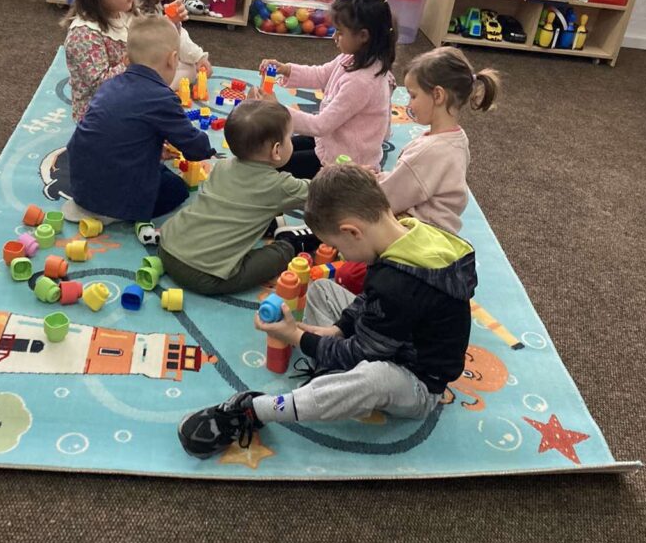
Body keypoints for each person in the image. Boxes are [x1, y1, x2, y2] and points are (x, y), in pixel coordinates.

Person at [178, 164, 477, 458]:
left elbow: (365, 350)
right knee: (322, 289)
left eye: (337, 246)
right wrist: (338, 329)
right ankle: (332, 381)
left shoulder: (398, 285)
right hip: (393, 337)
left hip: (417, 382)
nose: (342, 255)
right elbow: (371, 298)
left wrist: (297, 337)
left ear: (352, 232)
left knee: (375, 378)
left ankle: (255, 410)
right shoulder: (409, 231)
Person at [64, 14, 213, 225]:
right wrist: (207, 150)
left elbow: (114, 132)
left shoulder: (109, 85)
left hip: (81, 184)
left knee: (151, 166)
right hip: (117, 195)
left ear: (126, 59)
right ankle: (112, 212)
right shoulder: (162, 97)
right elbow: (194, 147)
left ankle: (95, 203)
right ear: (172, 59)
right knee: (176, 189)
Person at [159, 100, 310, 295]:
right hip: (205, 275)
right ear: (276, 150)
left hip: (167, 246)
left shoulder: (221, 166)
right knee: (282, 252)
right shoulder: (281, 185)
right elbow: (320, 193)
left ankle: (267, 225)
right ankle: (292, 241)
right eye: (290, 137)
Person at [258, 0, 396, 178]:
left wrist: (277, 110)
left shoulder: (362, 82)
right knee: (270, 152)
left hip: (344, 163)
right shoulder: (352, 57)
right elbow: (321, 74)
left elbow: (320, 125)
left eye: (340, 32)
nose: (333, 36)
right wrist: (286, 69)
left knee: (273, 166)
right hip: (331, 140)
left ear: (363, 36)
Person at [379, 46, 500, 233]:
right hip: (439, 232)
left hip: (417, 235)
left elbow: (386, 198)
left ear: (438, 95)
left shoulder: (429, 151)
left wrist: (362, 184)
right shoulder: (458, 138)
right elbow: (408, 182)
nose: (409, 104)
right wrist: (376, 177)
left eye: (413, 96)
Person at [62, 0, 138, 122]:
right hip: (100, 118)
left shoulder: (124, 12)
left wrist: (171, 24)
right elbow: (100, 86)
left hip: (126, 100)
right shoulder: (84, 34)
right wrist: (130, 61)